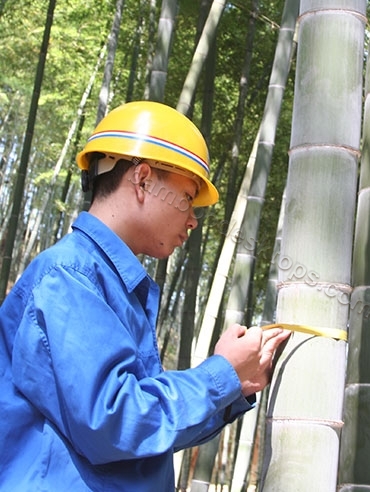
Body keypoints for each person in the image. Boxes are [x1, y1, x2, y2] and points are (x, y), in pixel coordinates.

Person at [0, 101, 289, 491]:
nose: (192, 219)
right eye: (187, 196)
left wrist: (236, 386)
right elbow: (112, 421)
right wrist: (220, 373)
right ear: (142, 180)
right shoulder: (70, 276)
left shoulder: (110, 284)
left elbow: (144, 437)